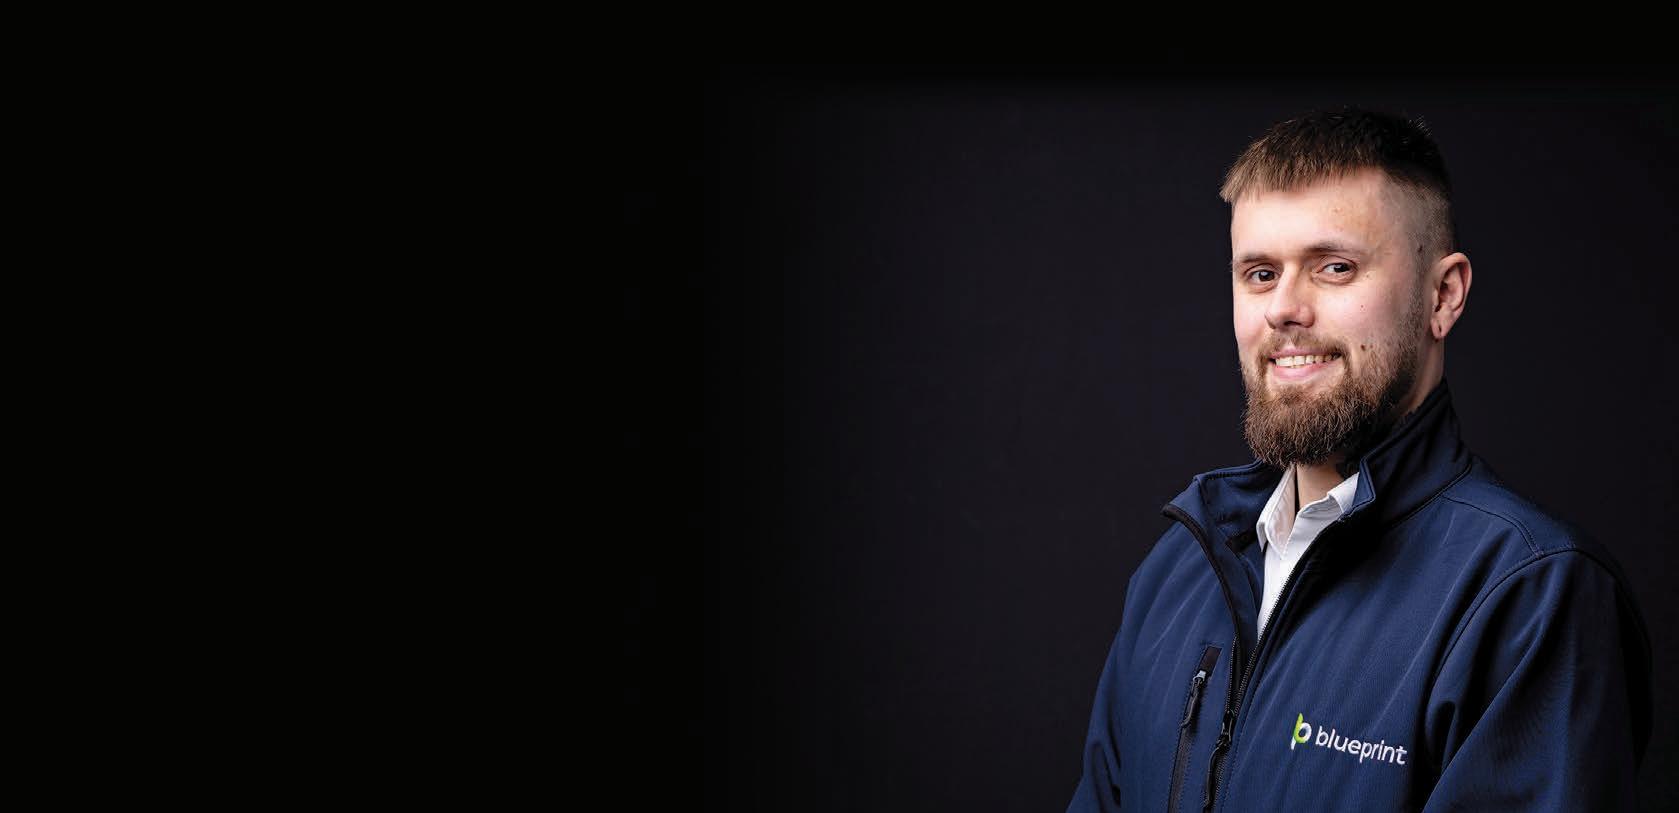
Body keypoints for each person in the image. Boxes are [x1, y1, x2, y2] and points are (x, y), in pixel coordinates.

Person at [1063, 106, 1652, 812]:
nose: (1283, 308)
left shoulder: (1527, 595)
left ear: (1443, 295)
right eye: (1259, 273)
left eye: (1334, 267)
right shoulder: (1174, 575)